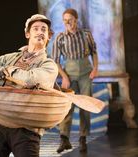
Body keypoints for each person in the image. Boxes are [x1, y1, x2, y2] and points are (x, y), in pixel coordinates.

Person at [0, 14, 58, 157]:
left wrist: (4, 70)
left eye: (44, 30)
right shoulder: (11, 58)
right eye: (36, 29)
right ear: (27, 34)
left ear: (48, 36)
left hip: (27, 129)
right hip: (3, 121)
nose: (40, 32)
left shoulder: (49, 65)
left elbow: (29, 79)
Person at [52, 8, 98, 153]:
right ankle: (64, 139)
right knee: (67, 106)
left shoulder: (86, 34)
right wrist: (64, 77)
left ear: (76, 20)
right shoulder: (60, 38)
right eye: (65, 20)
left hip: (85, 72)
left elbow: (94, 52)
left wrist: (95, 68)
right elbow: (55, 61)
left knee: (85, 105)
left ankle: (82, 139)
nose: (68, 23)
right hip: (69, 74)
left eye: (70, 20)